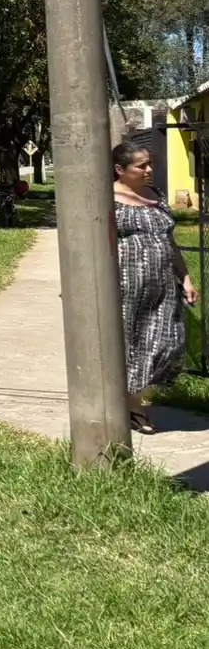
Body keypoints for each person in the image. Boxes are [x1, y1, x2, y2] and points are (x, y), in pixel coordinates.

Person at [113, 140, 197, 433]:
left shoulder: (156, 195)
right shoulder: (106, 199)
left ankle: (130, 399)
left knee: (168, 341)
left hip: (163, 284)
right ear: (120, 170)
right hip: (126, 287)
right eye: (141, 165)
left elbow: (169, 241)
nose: (149, 170)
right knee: (131, 345)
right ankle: (133, 407)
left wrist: (185, 277)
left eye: (149, 163)